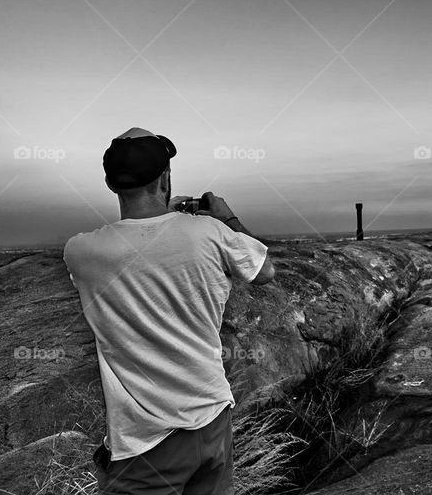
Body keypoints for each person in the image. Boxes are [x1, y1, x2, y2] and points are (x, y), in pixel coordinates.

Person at [63, 127, 274, 495]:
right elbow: (265, 271)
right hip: (212, 418)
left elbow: (142, 252)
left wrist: (162, 219)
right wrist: (226, 218)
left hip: (145, 441)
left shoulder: (81, 251)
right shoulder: (209, 232)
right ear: (165, 178)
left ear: (111, 184)